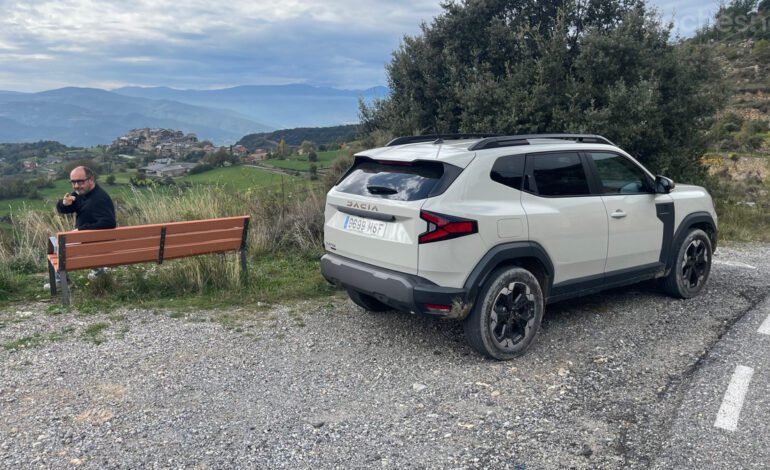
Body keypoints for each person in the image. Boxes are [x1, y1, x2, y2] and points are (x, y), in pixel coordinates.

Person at [51, 166, 116, 284]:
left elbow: (109, 222)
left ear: (91, 180)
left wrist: (80, 230)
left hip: (92, 242)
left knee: (59, 244)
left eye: (80, 181)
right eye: (73, 182)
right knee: (70, 240)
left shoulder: (99, 198)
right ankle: (98, 271)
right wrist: (64, 203)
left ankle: (61, 281)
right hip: (92, 241)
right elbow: (65, 210)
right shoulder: (81, 193)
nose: (76, 186)